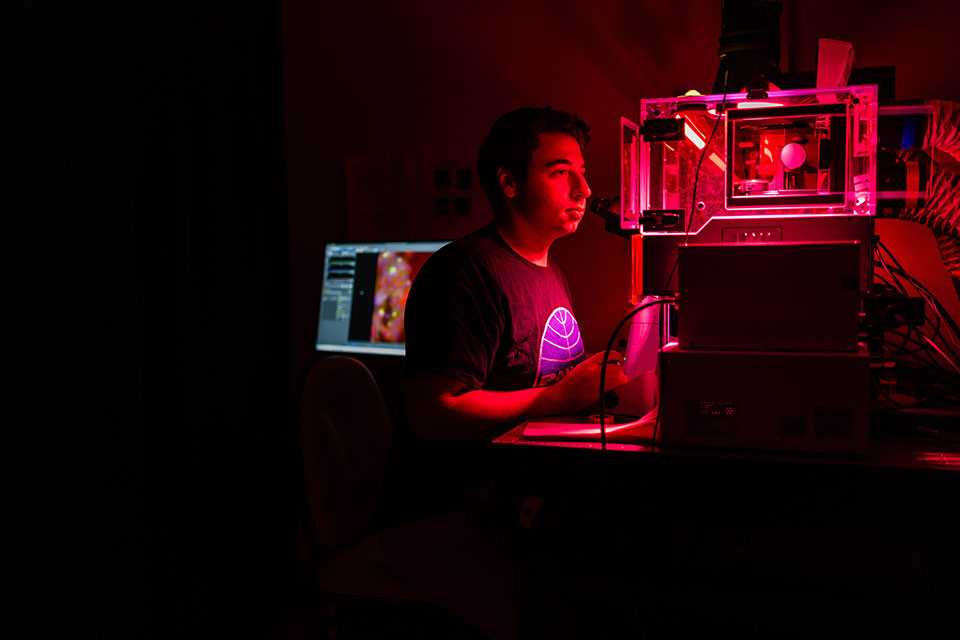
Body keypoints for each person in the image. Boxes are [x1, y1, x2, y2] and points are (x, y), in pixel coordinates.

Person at [403, 107, 629, 442]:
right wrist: (558, 397)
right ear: (510, 182)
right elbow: (432, 414)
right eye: (560, 172)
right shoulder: (466, 272)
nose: (584, 189)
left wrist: (584, 378)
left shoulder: (550, 271)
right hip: (471, 490)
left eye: (581, 171)